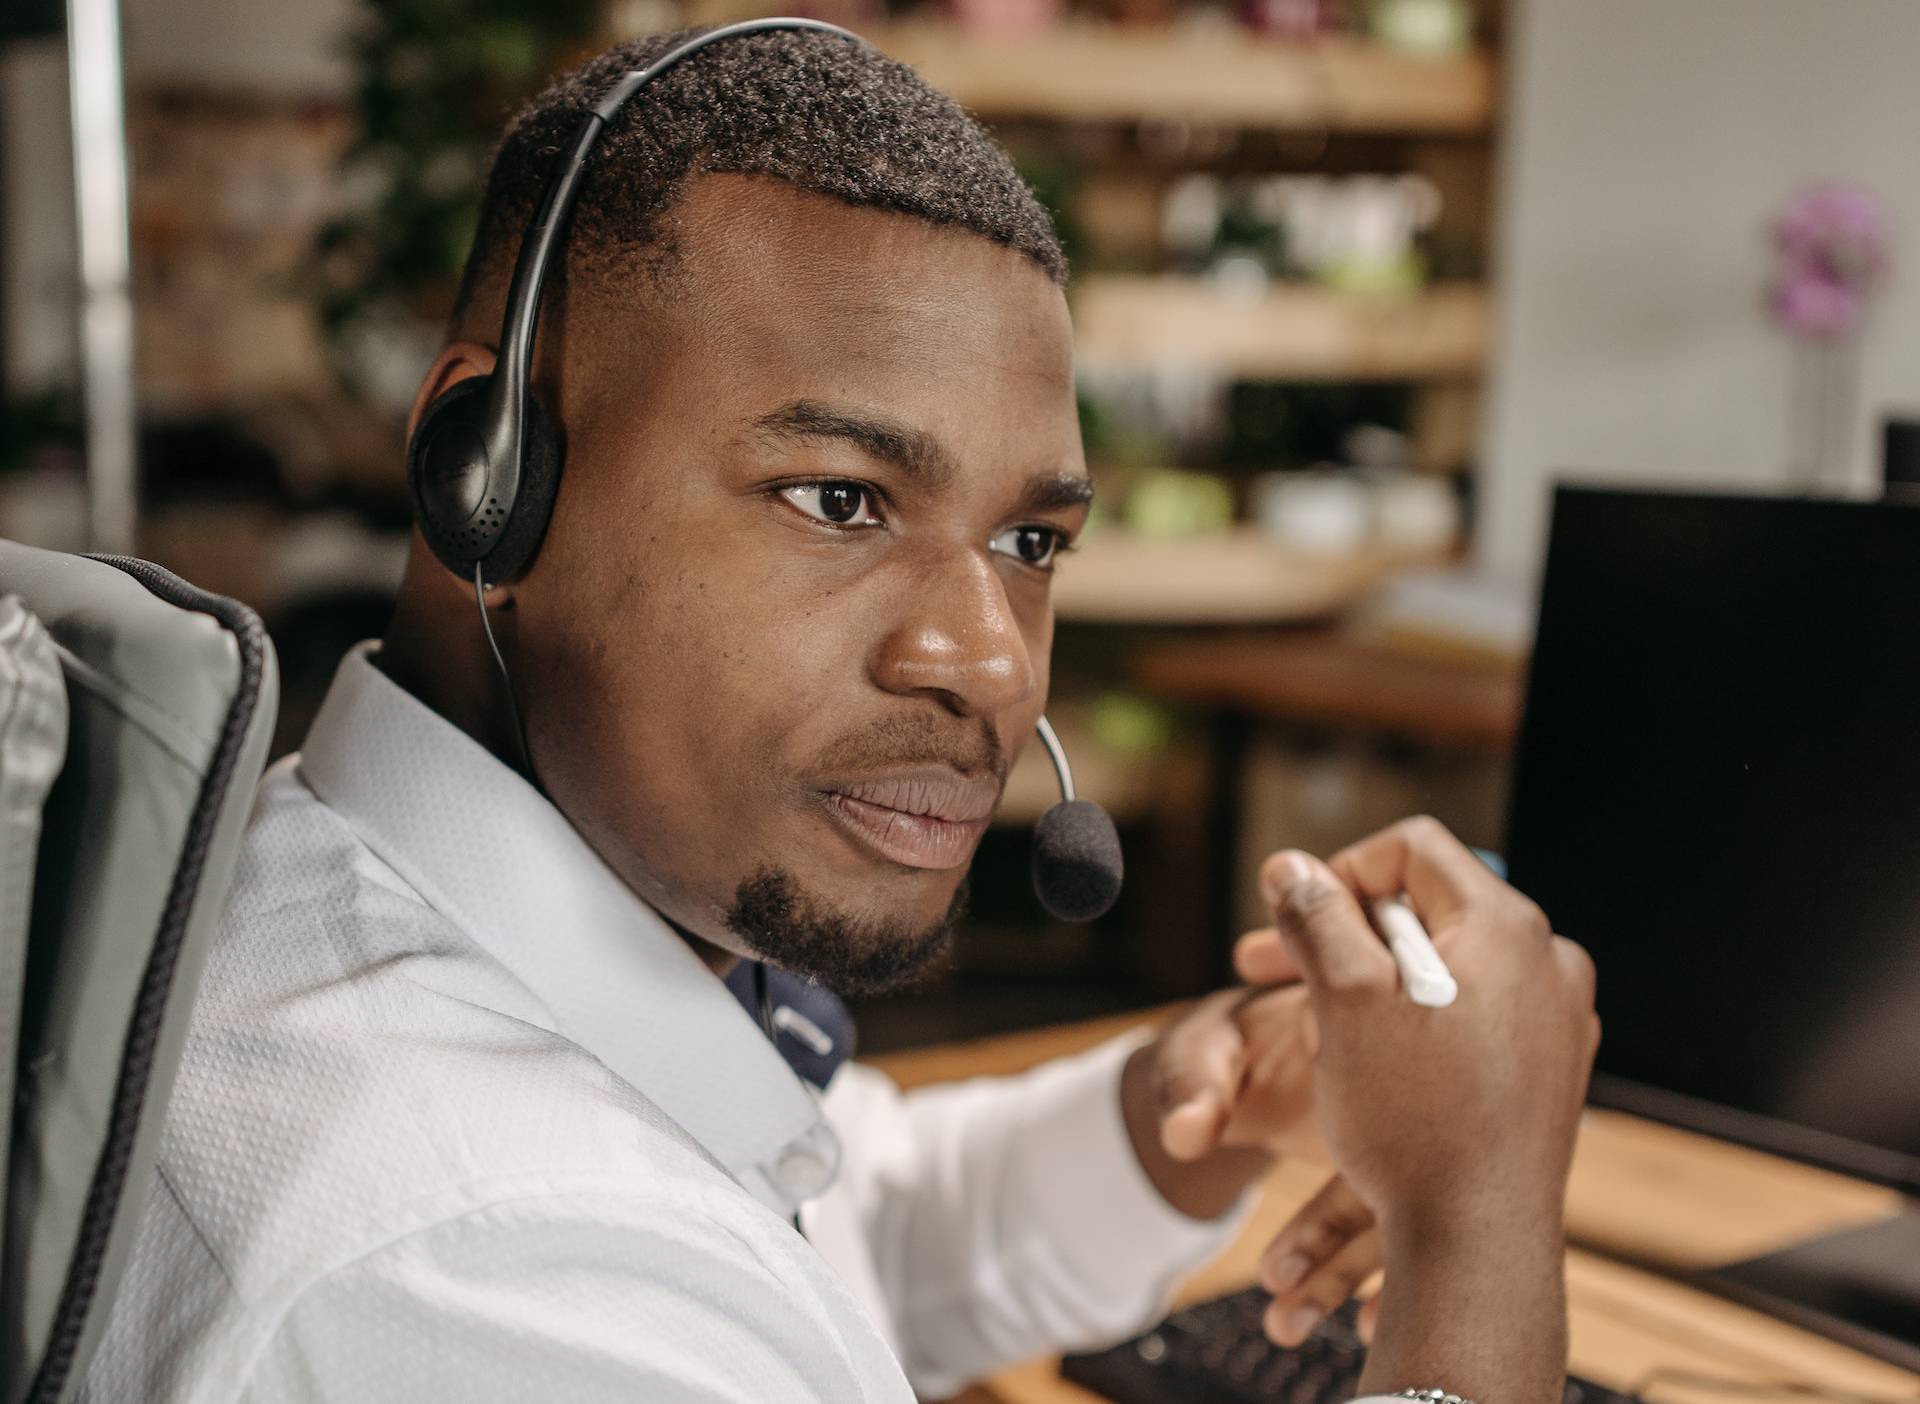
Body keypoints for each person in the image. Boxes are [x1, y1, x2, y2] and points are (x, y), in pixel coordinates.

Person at [82, 27, 1599, 1404]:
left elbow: (810, 1213)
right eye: (840, 499)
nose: (992, 665)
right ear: (485, 470)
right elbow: (653, 1256)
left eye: (1031, 543)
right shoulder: (482, 1260)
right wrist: (1473, 1224)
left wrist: (1178, 1113)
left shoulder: (427, 948)